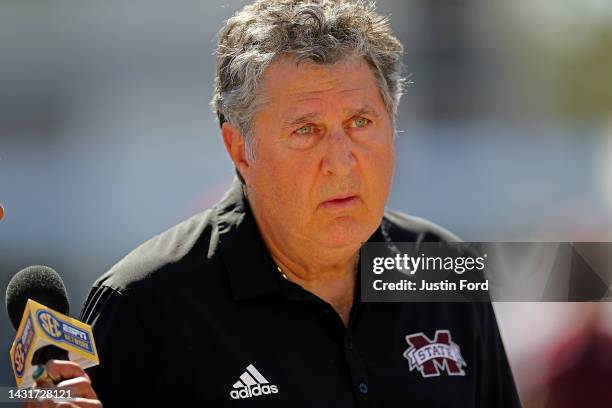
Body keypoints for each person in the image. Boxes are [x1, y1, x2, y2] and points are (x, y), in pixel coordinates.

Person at [27, 0, 521, 406]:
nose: (343, 162)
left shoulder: (443, 267)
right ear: (239, 148)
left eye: (361, 123)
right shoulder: (144, 304)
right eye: (306, 131)